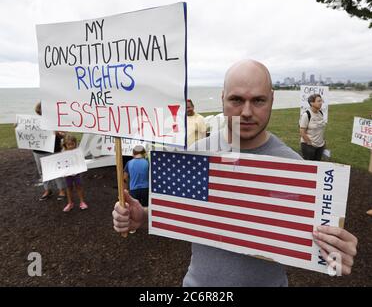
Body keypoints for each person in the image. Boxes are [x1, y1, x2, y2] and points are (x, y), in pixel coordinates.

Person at [112, 59, 358, 286]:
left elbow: (316, 240)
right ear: (222, 99)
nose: (247, 112)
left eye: (258, 100)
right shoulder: (198, 154)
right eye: (237, 100)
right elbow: (182, 210)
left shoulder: (296, 169)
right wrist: (142, 216)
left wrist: (336, 250)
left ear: (272, 99)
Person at [32, 102, 66, 201]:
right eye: (40, 111)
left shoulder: (56, 120)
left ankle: (61, 190)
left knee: (57, 170)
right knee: (42, 171)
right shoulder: (34, 122)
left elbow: (63, 135)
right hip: (38, 150)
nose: (42, 112)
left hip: (54, 149)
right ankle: (47, 190)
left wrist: (57, 133)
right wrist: (18, 126)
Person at [62, 134, 88, 212]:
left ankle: (82, 202)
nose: (70, 146)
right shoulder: (63, 153)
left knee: (79, 187)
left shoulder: (78, 151)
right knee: (69, 188)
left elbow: (81, 161)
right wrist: (63, 172)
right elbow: (61, 164)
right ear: (65, 145)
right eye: (68, 144)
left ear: (75, 143)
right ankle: (70, 203)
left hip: (76, 173)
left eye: (72, 144)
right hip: (67, 174)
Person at [299, 94, 326, 161]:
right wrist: (309, 143)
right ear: (312, 103)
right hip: (309, 146)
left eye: (321, 101)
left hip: (320, 145)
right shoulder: (306, 115)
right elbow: (302, 131)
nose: (321, 103)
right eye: (318, 101)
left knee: (317, 165)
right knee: (309, 167)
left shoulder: (320, 113)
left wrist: (322, 141)